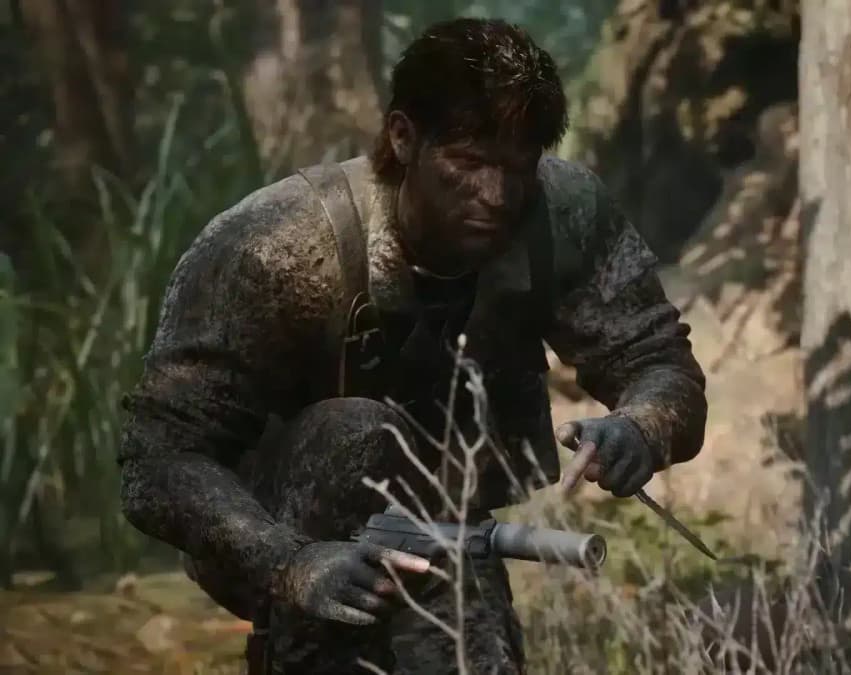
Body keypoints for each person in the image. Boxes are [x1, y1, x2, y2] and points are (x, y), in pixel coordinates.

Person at [117, 17, 707, 675]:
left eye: (517, 167)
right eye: (469, 163)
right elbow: (157, 461)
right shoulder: (277, 247)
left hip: (450, 526)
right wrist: (289, 564)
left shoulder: (564, 214)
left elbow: (658, 360)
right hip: (277, 536)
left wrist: (641, 426)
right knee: (354, 434)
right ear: (403, 138)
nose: (496, 195)